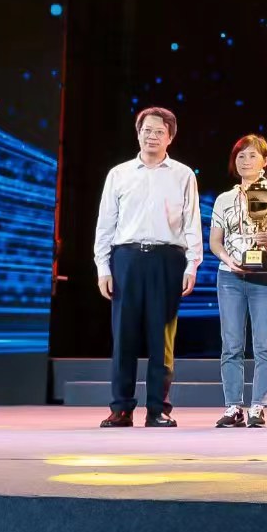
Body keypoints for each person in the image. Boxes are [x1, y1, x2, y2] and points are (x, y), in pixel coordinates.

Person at [93, 106, 201, 428]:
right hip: (126, 259)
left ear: (170, 137)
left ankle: (158, 409)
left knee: (161, 338)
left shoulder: (183, 174)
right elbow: (105, 223)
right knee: (124, 336)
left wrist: (192, 265)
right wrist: (103, 267)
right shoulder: (119, 174)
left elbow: (192, 222)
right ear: (138, 133)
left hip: (167, 259)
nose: (152, 136)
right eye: (146, 130)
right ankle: (121, 409)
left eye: (159, 132)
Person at [207, 133, 267, 428]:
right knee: (231, 343)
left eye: (252, 155)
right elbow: (215, 241)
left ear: (265, 161)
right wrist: (227, 259)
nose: (245, 161)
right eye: (240, 156)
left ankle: (258, 406)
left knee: (263, 343)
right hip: (230, 277)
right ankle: (233, 406)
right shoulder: (224, 199)